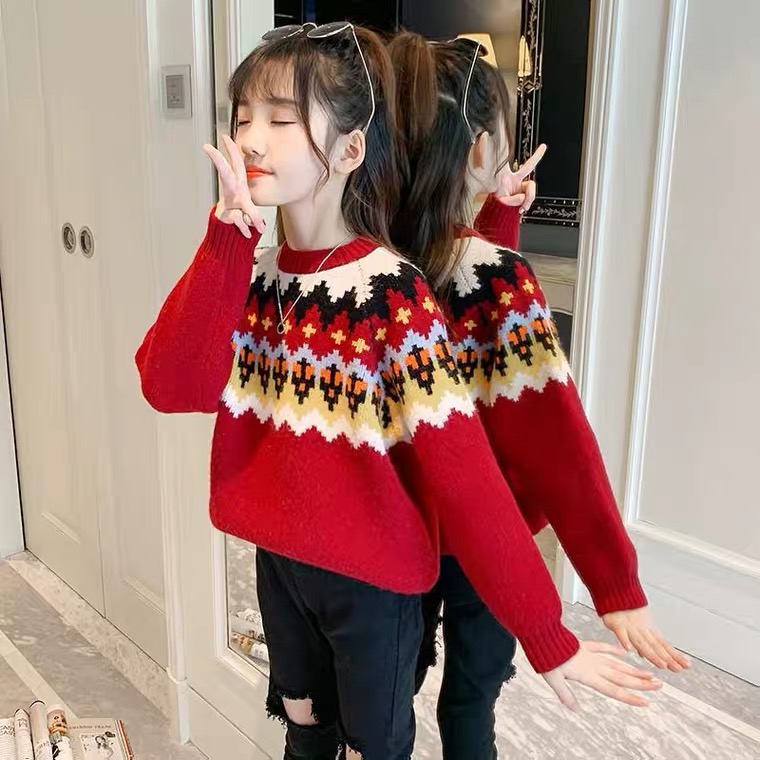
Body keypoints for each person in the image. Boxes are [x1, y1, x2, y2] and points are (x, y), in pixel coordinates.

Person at [388, 31, 690, 760]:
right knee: (472, 697)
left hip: (394, 526)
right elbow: (554, 440)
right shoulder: (497, 278)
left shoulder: (371, 258)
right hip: (487, 537)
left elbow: (458, 325)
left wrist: (498, 221)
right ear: (481, 149)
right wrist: (615, 582)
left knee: (390, 689)